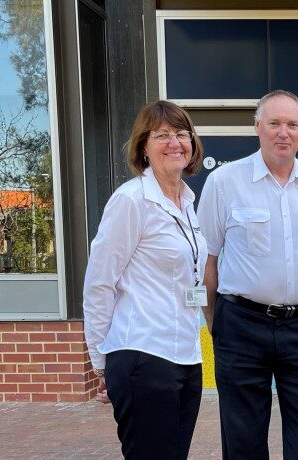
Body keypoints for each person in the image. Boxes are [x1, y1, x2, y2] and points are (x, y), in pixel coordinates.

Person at [197, 90, 298, 460]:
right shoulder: (224, 182)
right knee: (243, 441)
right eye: (274, 123)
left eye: (292, 124)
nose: (284, 132)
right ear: (257, 127)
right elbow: (206, 263)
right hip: (240, 326)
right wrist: (214, 321)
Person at [83, 100, 207, 460]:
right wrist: (100, 362)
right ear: (143, 146)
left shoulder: (187, 202)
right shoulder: (131, 200)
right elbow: (100, 282)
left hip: (185, 356)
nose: (174, 143)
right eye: (162, 135)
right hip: (142, 354)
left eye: (181, 134)